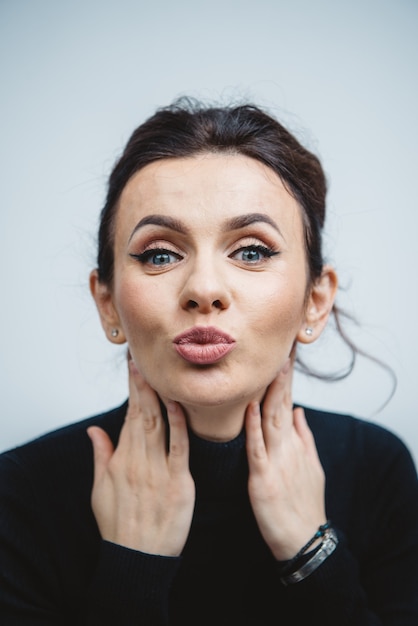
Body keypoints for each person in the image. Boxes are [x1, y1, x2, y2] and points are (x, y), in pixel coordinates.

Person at [0, 98, 417, 626]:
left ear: (316, 301)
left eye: (251, 251)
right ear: (108, 302)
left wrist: (313, 552)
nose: (203, 289)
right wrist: (134, 567)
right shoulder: (20, 495)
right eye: (159, 254)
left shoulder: (377, 470)